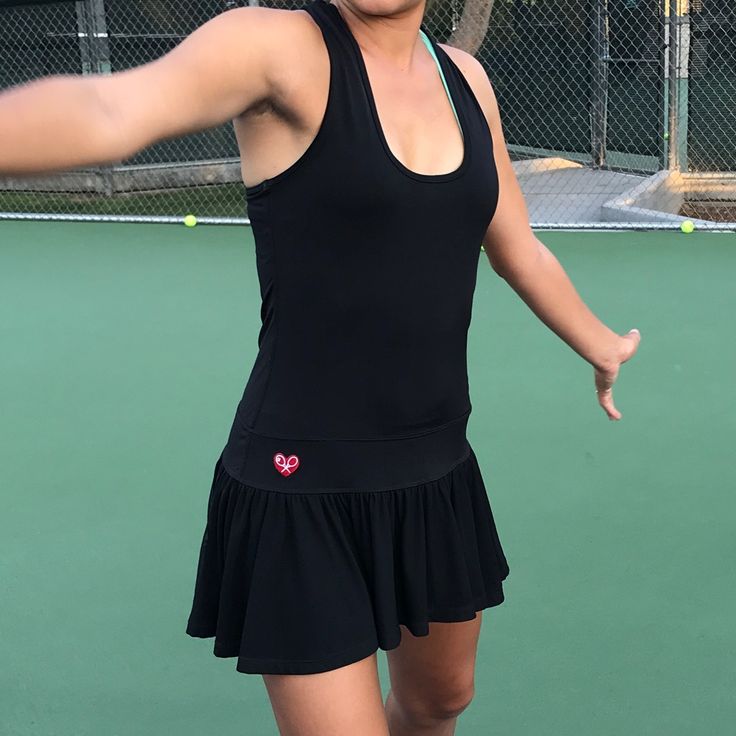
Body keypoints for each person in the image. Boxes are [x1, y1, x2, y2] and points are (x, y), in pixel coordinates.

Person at [0, 0, 641, 733]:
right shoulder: (276, 47)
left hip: (435, 471)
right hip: (301, 484)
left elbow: (517, 245)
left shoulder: (465, 77)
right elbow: (110, 108)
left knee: (440, 702)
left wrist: (599, 341)